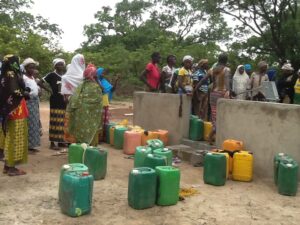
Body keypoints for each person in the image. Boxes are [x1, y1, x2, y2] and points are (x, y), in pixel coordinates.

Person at [0, 55, 29, 176]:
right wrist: (25, 93)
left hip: (9, 109)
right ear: (13, 63)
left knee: (11, 137)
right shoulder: (11, 74)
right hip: (16, 109)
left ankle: (8, 166)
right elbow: (14, 91)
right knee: (15, 138)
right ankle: (11, 168)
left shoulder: (5, 74)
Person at [195, 53, 231, 144]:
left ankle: (212, 136)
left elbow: (203, 80)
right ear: (226, 61)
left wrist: (195, 89)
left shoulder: (212, 69)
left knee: (214, 116)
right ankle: (210, 136)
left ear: (218, 60)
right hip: (223, 94)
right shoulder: (227, 70)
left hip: (213, 94)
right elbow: (227, 83)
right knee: (222, 117)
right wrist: (229, 91)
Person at [66, 64, 103, 145]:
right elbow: (99, 100)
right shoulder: (95, 87)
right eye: (95, 74)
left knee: (80, 129)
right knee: (90, 129)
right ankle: (89, 148)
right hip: (90, 114)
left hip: (79, 113)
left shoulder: (80, 85)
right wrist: (97, 80)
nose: (97, 75)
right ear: (93, 75)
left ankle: (80, 147)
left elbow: (73, 99)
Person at [40, 58, 67, 150]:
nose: (61, 66)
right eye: (58, 64)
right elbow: (40, 82)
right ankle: (52, 143)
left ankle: (60, 141)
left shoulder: (66, 76)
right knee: (54, 120)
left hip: (63, 100)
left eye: (62, 64)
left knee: (62, 121)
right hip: (55, 100)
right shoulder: (51, 75)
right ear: (55, 66)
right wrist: (49, 90)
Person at [61, 54, 85, 143]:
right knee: (80, 123)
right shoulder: (85, 76)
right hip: (83, 103)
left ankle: (70, 142)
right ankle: (80, 142)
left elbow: (65, 96)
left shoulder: (66, 77)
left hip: (71, 102)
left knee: (71, 122)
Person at [22, 58, 41, 152]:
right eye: (30, 67)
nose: (32, 69)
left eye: (33, 68)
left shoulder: (32, 77)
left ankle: (31, 145)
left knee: (34, 123)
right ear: (25, 68)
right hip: (28, 102)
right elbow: (23, 90)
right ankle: (26, 146)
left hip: (35, 102)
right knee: (28, 123)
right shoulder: (23, 78)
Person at [97, 67, 119, 141]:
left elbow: (112, 89)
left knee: (105, 121)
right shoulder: (95, 82)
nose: (103, 75)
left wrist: (116, 81)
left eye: (104, 73)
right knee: (99, 121)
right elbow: (102, 89)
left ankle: (104, 136)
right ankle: (98, 137)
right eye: (102, 73)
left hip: (105, 103)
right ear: (98, 73)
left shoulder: (104, 81)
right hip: (98, 104)